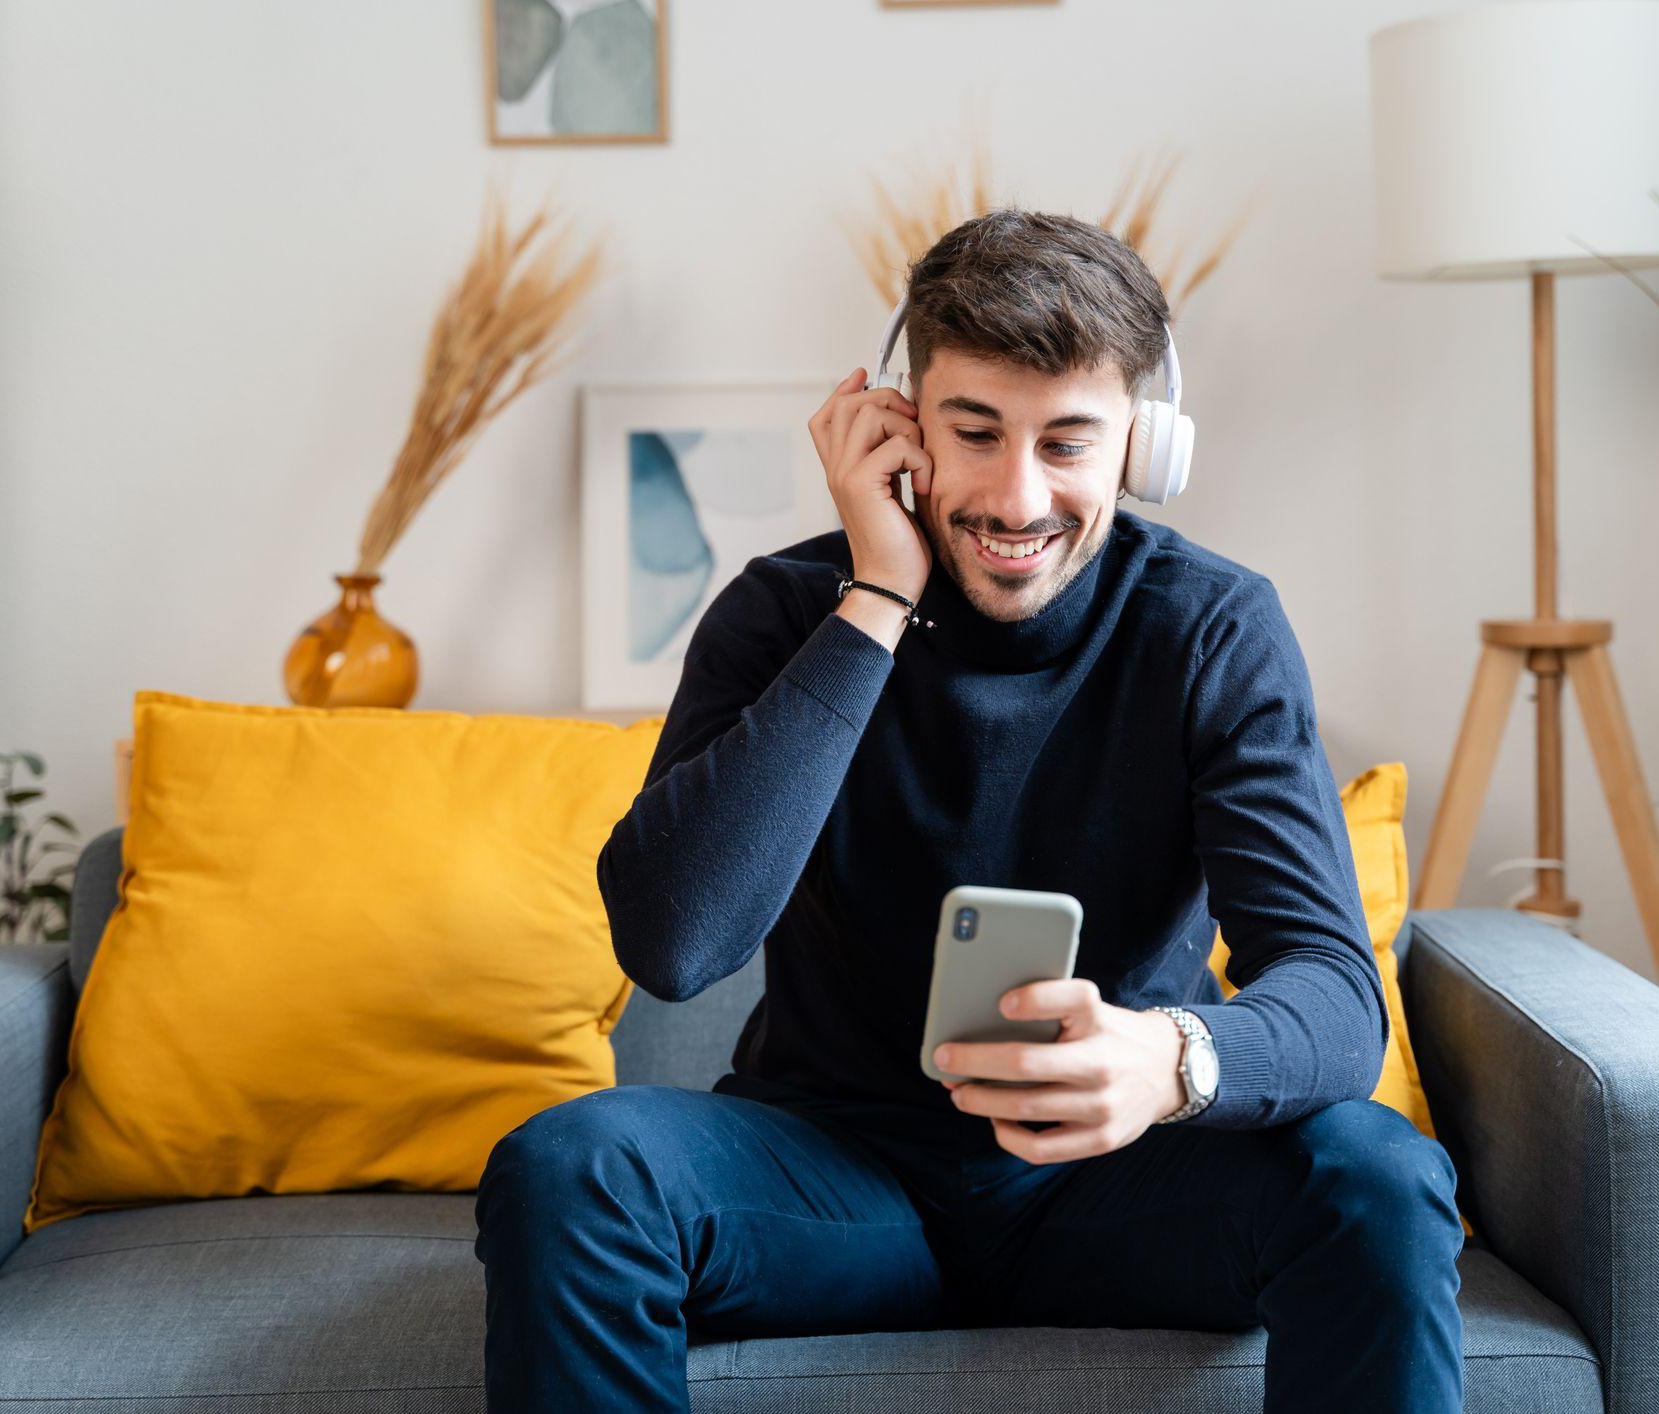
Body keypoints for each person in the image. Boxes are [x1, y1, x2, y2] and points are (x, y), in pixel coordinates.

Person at [474, 207, 1465, 1411]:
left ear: (1143, 447)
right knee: (569, 1166)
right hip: (833, 1176)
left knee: (1378, 1173)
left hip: (1121, 1177)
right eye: (976, 431)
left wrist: (1171, 1058)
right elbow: (675, 943)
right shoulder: (787, 615)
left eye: (1068, 441)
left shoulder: (1210, 628)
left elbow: (1333, 993)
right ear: (904, 423)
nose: (1016, 494)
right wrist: (877, 595)